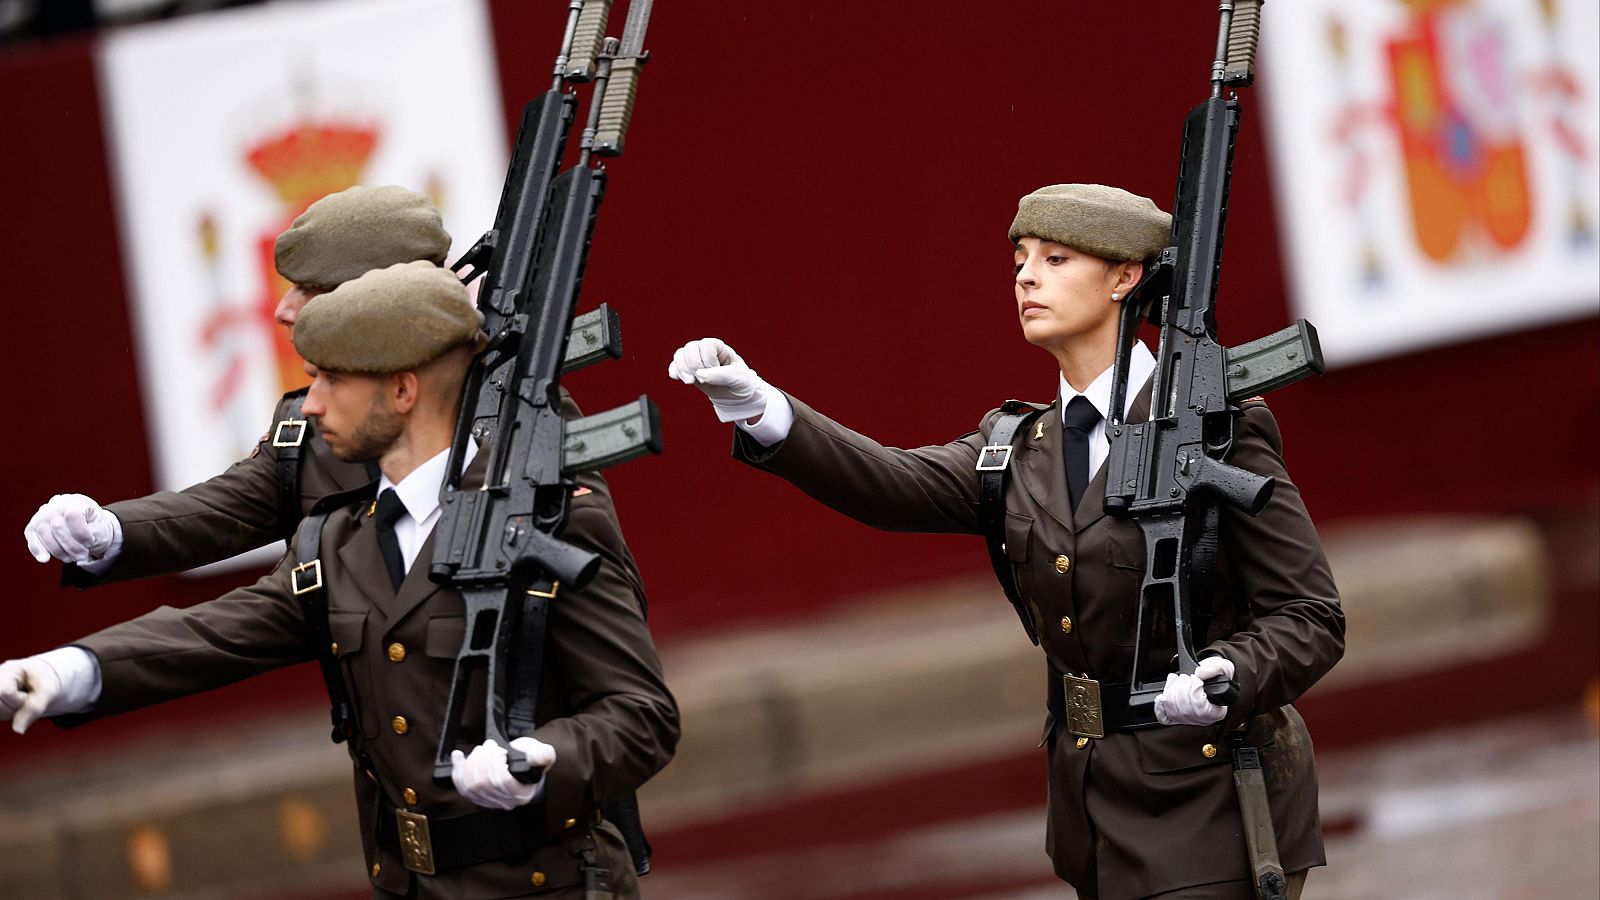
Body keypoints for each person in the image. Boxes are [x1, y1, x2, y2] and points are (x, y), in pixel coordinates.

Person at [667, 184, 1344, 899]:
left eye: (1056, 258)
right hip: (1094, 812)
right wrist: (760, 407)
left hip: (1213, 802)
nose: (1026, 276)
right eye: (1021, 258)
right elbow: (889, 484)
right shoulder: (1022, 447)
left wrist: (1229, 675)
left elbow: (1310, 616)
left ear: (1126, 278)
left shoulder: (1219, 431)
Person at [3, 261, 679, 898]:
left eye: (331, 380)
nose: (312, 404)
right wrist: (65, 672)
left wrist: (541, 760)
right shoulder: (340, 539)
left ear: (402, 390)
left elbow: (641, 715)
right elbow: (211, 635)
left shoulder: (548, 519)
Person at [23, 183, 455, 584]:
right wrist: (106, 530)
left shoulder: (511, 410)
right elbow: (221, 511)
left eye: (309, 289)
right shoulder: (307, 428)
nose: (283, 310)